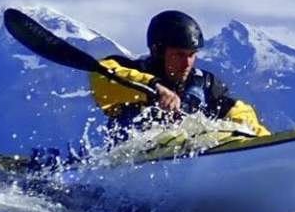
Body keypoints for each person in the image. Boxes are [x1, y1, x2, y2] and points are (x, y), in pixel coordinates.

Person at [90, 10, 267, 135]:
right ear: (158, 51)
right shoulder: (134, 71)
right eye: (179, 55)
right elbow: (101, 75)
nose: (187, 63)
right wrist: (154, 87)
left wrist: (264, 141)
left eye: (192, 55)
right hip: (131, 163)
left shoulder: (205, 84)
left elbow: (239, 114)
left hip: (190, 160)